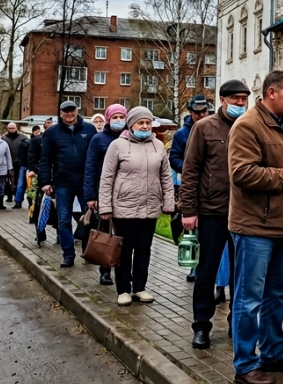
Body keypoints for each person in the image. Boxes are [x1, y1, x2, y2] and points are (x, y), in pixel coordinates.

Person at [226, 69, 283, 384]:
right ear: (272, 93)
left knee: (278, 293)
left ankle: (273, 353)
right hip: (253, 228)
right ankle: (246, 365)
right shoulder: (248, 125)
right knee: (248, 299)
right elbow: (243, 174)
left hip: (280, 227)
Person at [179, 82, 247, 349]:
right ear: (222, 100)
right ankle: (201, 325)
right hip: (211, 211)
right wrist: (188, 209)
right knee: (207, 271)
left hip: (243, 212)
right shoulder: (204, 127)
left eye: (243, 99)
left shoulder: (249, 125)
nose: (240, 104)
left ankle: (236, 323)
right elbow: (191, 169)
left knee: (240, 273)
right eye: (235, 99)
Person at [97, 106, 174, 306]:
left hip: (149, 208)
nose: (145, 126)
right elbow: (107, 178)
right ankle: (123, 289)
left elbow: (165, 177)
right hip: (124, 208)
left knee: (144, 249)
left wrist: (168, 202)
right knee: (124, 250)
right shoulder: (117, 146)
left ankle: (139, 287)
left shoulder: (158, 145)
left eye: (148, 123)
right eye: (140, 123)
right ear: (131, 125)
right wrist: (105, 207)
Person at [39, 101, 98, 268]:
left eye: (72, 111)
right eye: (65, 112)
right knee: (64, 220)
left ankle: (88, 251)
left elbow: (96, 157)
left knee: (90, 219)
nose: (69, 114)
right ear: (61, 113)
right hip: (62, 183)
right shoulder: (52, 132)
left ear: (76, 111)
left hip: (85, 182)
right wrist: (45, 181)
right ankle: (68, 254)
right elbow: (45, 159)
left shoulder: (89, 129)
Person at [83, 104, 127, 286]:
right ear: (109, 119)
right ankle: (105, 270)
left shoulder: (130, 137)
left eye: (121, 117)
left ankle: (124, 269)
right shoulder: (98, 139)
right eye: (114, 117)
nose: (118, 120)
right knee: (106, 232)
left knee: (124, 234)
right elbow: (90, 168)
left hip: (126, 193)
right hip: (105, 191)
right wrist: (90, 196)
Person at [172, 94, 210, 282]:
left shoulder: (213, 128)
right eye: (198, 112)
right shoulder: (181, 134)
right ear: (190, 112)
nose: (202, 115)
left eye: (205, 111)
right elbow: (174, 159)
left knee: (209, 232)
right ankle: (194, 267)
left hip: (212, 187)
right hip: (192, 185)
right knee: (192, 230)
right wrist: (190, 168)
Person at [2, 122, 29, 206]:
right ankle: (9, 195)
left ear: (16, 128)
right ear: (7, 129)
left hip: (19, 162)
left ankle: (17, 199)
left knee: (18, 181)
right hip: (6, 162)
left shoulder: (23, 138)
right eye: (10, 128)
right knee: (7, 180)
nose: (12, 130)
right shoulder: (3, 138)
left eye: (13, 128)